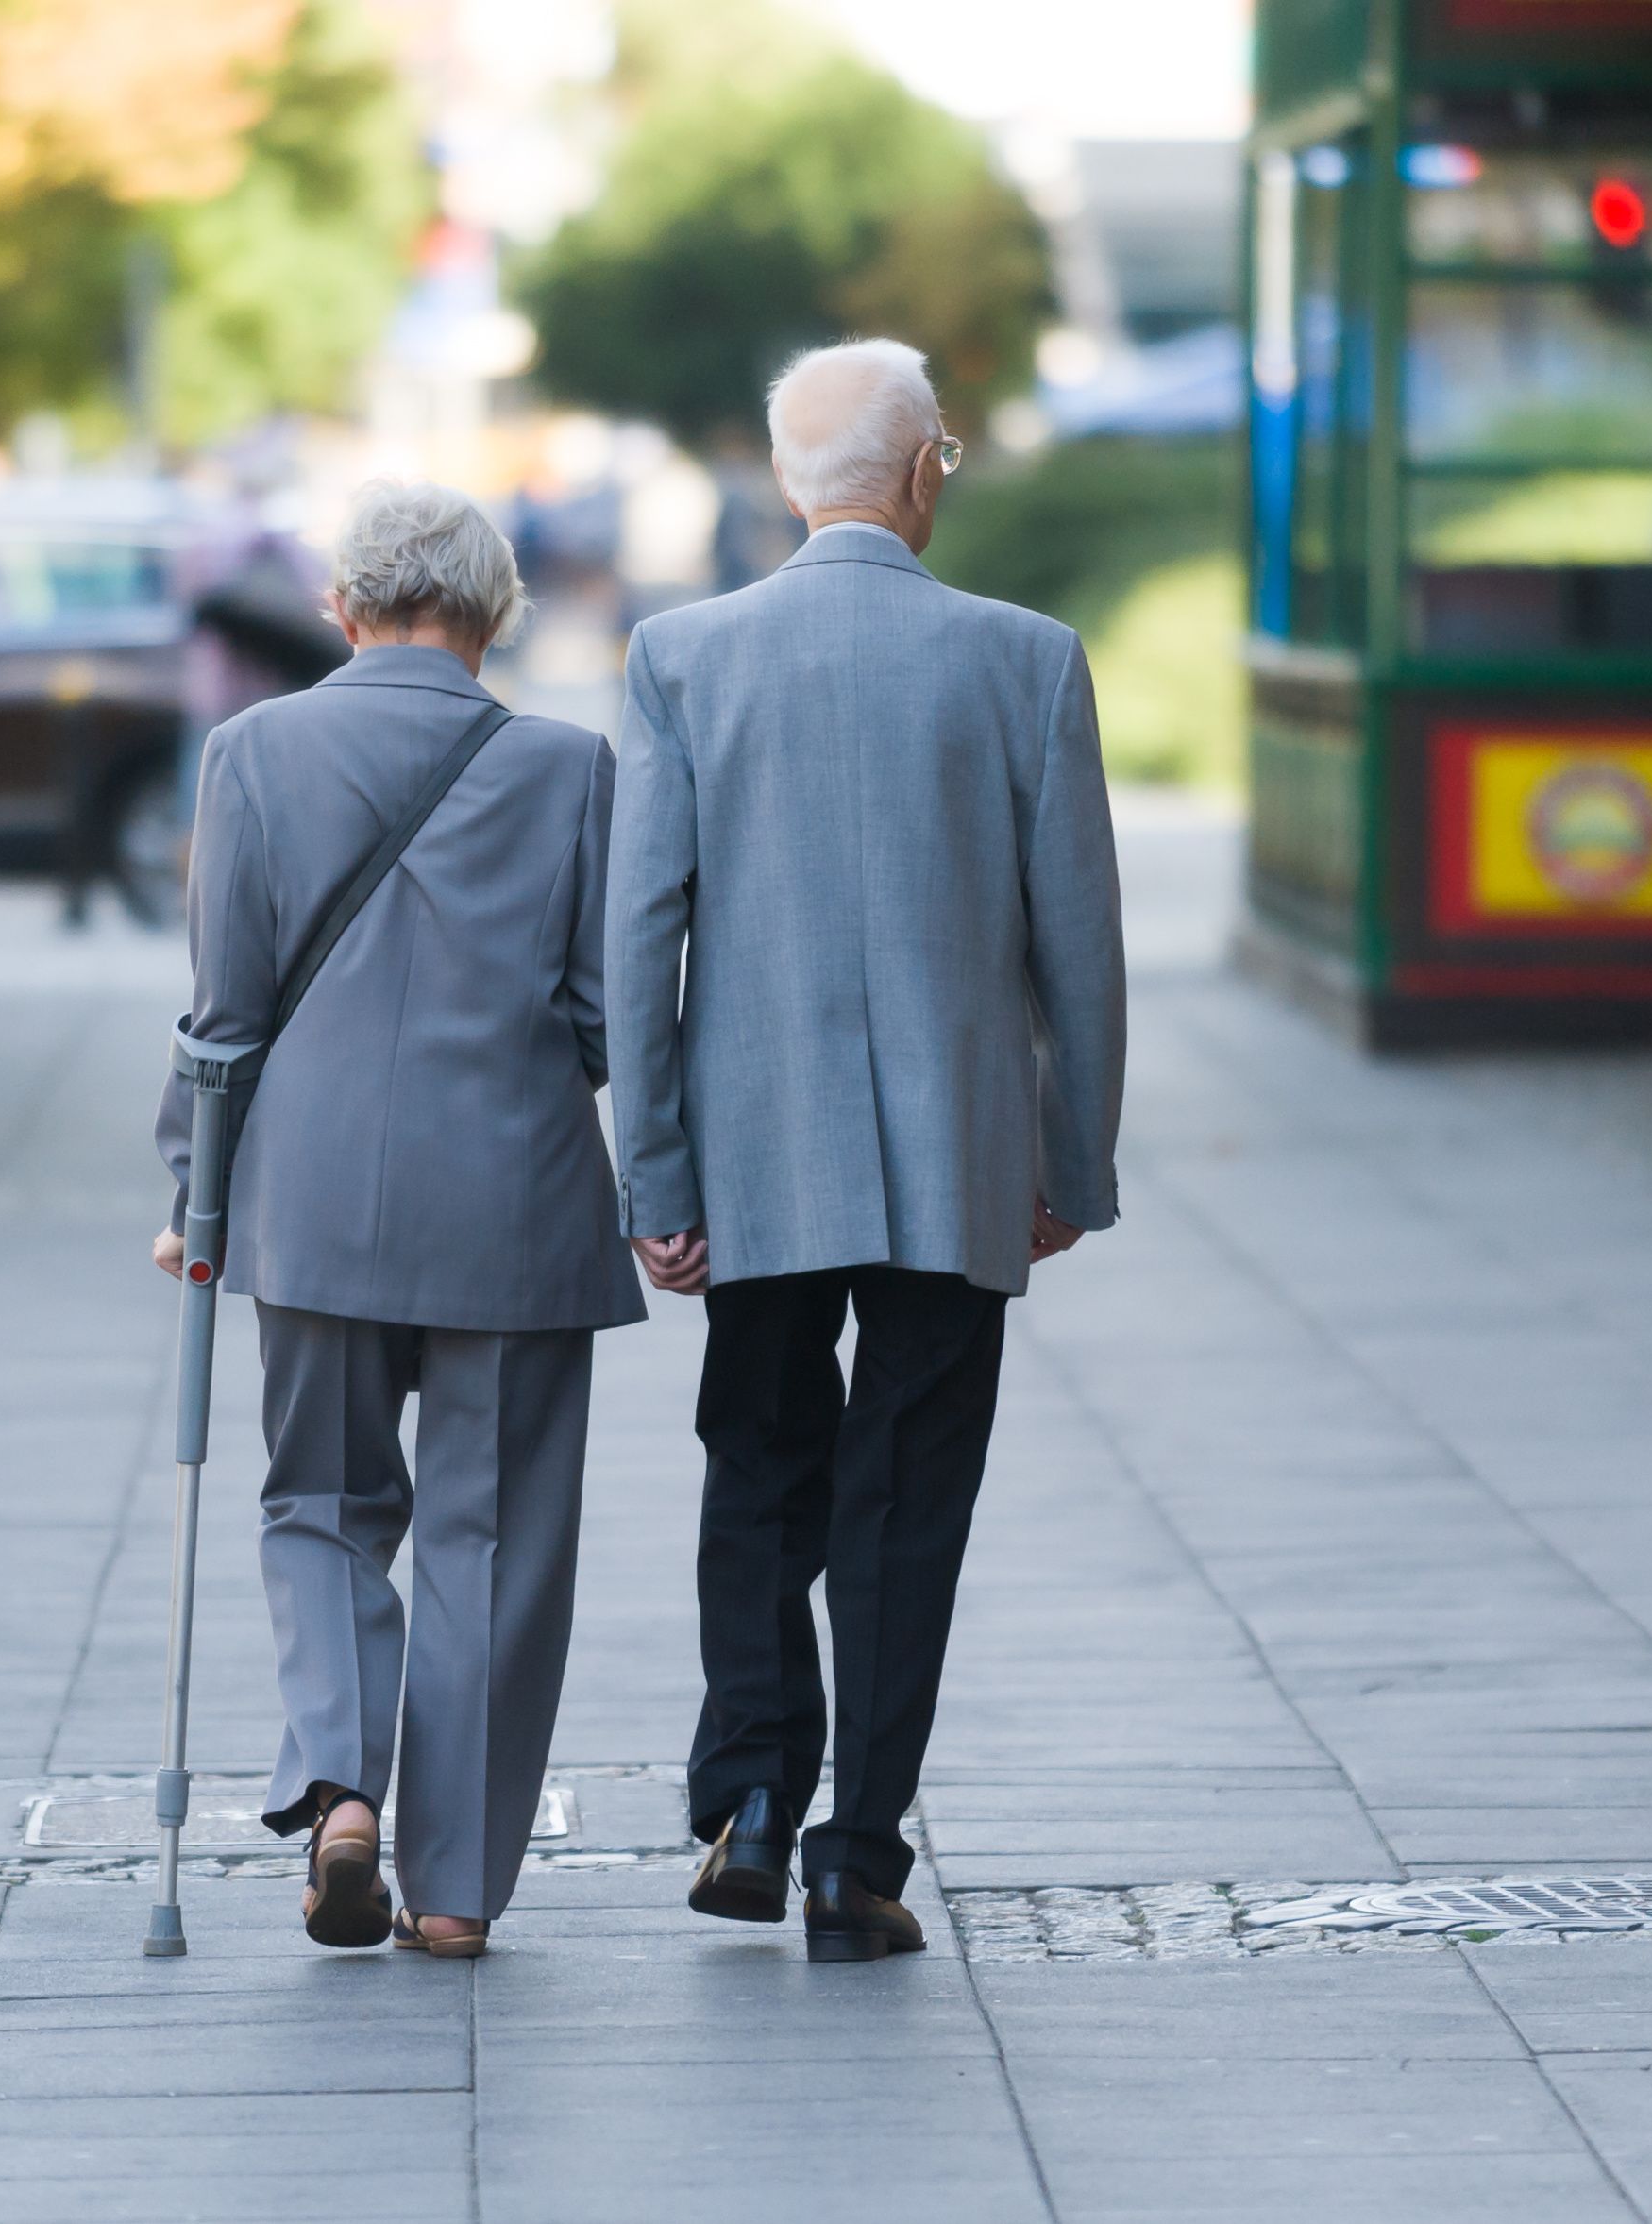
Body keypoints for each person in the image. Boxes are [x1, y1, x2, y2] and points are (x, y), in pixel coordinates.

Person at [603, 339, 1127, 1963]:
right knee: (906, 1505)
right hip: (956, 1162)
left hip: (756, 1155)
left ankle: (754, 1797)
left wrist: (659, 1175)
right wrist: (1070, 1165)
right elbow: (1080, 952)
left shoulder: (681, 658)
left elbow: (641, 937)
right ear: (921, 474)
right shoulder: (1026, 661)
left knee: (759, 1468)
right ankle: (860, 1858)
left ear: (788, 481)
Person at [156, 481, 640, 1959]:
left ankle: (339, 1783)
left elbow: (223, 1013)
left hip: (308, 1203)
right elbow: (605, 1016)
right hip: (516, 1204)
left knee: (319, 1503)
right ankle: (454, 1891)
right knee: (495, 1539)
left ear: (342, 608)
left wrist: (195, 1193)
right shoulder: (569, 769)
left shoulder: (249, 754)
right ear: (496, 613)